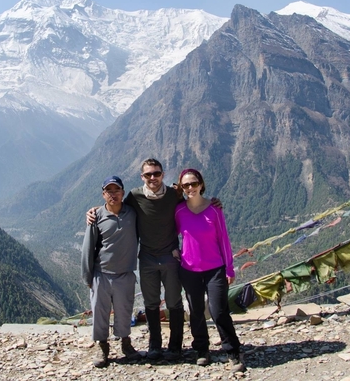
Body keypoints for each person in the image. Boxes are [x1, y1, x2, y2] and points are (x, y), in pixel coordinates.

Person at [87, 159, 186, 361]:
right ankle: (155, 346)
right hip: (147, 258)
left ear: (163, 174)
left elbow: (193, 203)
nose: (152, 178)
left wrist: (213, 203)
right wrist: (94, 211)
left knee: (174, 302)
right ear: (142, 177)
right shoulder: (135, 196)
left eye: (156, 173)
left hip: (170, 257)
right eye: (148, 174)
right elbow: (113, 205)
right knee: (151, 303)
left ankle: (175, 346)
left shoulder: (174, 195)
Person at [174, 168, 245, 373]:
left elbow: (223, 239)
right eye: (186, 185)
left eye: (194, 184)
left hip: (215, 268)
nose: (190, 188)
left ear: (201, 185)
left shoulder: (214, 209)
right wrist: (175, 251)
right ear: (181, 187)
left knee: (218, 311)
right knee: (195, 311)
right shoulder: (179, 210)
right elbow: (170, 233)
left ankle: (232, 350)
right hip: (189, 269)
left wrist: (229, 268)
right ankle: (202, 350)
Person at [81, 176, 143, 368]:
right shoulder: (96, 217)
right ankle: (102, 346)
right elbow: (87, 248)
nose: (113, 194)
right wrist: (88, 276)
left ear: (123, 193)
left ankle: (126, 343)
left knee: (124, 310)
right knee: (100, 312)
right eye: (109, 191)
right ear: (103, 194)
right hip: (102, 273)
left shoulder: (133, 213)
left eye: (117, 190)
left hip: (125, 273)